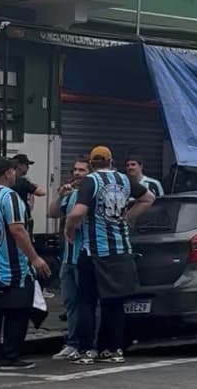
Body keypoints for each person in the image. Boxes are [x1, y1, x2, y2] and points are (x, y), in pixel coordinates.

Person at [64, 146, 155, 365]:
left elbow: (78, 212)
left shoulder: (91, 181)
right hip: (121, 250)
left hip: (94, 251)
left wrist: (69, 229)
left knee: (87, 301)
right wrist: (128, 217)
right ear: (111, 161)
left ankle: (86, 351)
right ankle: (113, 349)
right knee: (114, 303)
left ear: (92, 163)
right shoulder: (123, 180)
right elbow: (148, 197)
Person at [0, 157, 51, 371]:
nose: (16, 175)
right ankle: (10, 356)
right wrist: (34, 257)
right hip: (11, 267)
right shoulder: (10, 196)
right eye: (14, 171)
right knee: (17, 311)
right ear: (7, 173)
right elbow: (17, 229)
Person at [47, 158, 90, 361]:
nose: (77, 173)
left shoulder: (91, 194)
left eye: (82, 170)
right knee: (70, 303)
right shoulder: (72, 194)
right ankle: (72, 343)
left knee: (88, 302)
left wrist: (69, 227)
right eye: (75, 169)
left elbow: (79, 222)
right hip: (68, 258)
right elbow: (52, 213)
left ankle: (88, 343)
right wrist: (59, 195)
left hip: (85, 256)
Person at [11, 154, 46, 237]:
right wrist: (34, 186)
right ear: (19, 165)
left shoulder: (8, 181)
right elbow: (41, 192)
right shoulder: (23, 182)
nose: (28, 167)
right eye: (26, 165)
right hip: (22, 217)